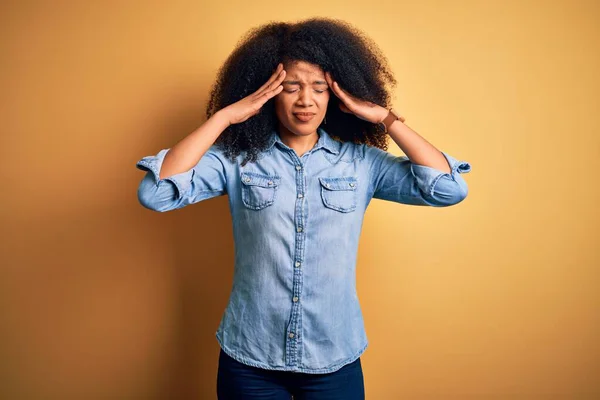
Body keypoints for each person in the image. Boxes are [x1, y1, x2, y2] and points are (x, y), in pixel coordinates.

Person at [136, 17, 471, 400]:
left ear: (337, 95)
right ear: (267, 93)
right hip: (250, 358)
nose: (305, 101)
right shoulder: (237, 161)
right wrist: (225, 117)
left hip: (334, 357)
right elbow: (156, 193)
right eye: (291, 87)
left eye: (319, 88)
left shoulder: (361, 164)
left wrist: (384, 117)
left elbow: (448, 188)